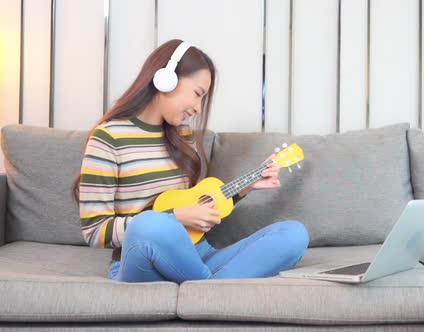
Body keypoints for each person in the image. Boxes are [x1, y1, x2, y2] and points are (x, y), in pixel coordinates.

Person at [72, 39, 309, 283]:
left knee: (293, 234)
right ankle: (210, 289)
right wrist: (174, 219)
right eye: (197, 94)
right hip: (144, 260)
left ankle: (204, 290)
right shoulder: (108, 137)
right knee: (150, 224)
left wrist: (246, 188)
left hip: (197, 256)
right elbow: (95, 231)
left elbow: (196, 203)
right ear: (166, 78)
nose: (198, 108)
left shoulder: (182, 136)